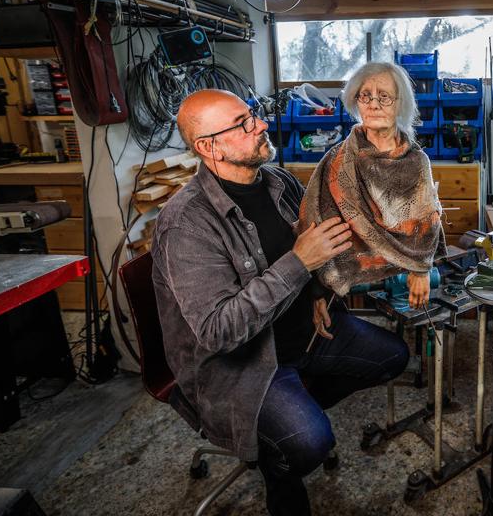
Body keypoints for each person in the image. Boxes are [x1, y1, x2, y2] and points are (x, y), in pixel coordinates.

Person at [151, 90, 409, 516]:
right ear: (208, 147)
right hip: (242, 365)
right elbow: (219, 332)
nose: (261, 125)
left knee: (393, 357)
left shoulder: (279, 182)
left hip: (304, 329)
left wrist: (317, 290)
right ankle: (280, 455)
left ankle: (285, 426)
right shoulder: (186, 224)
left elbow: (311, 250)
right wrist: (298, 263)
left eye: (253, 115)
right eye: (243, 124)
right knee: (308, 443)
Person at [299, 62, 443, 340]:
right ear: (356, 101)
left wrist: (420, 269)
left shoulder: (416, 162)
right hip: (348, 264)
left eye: (384, 96)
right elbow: (313, 219)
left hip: (405, 264)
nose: (374, 104)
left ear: (400, 103)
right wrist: (316, 288)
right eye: (366, 95)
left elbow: (427, 222)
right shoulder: (337, 160)